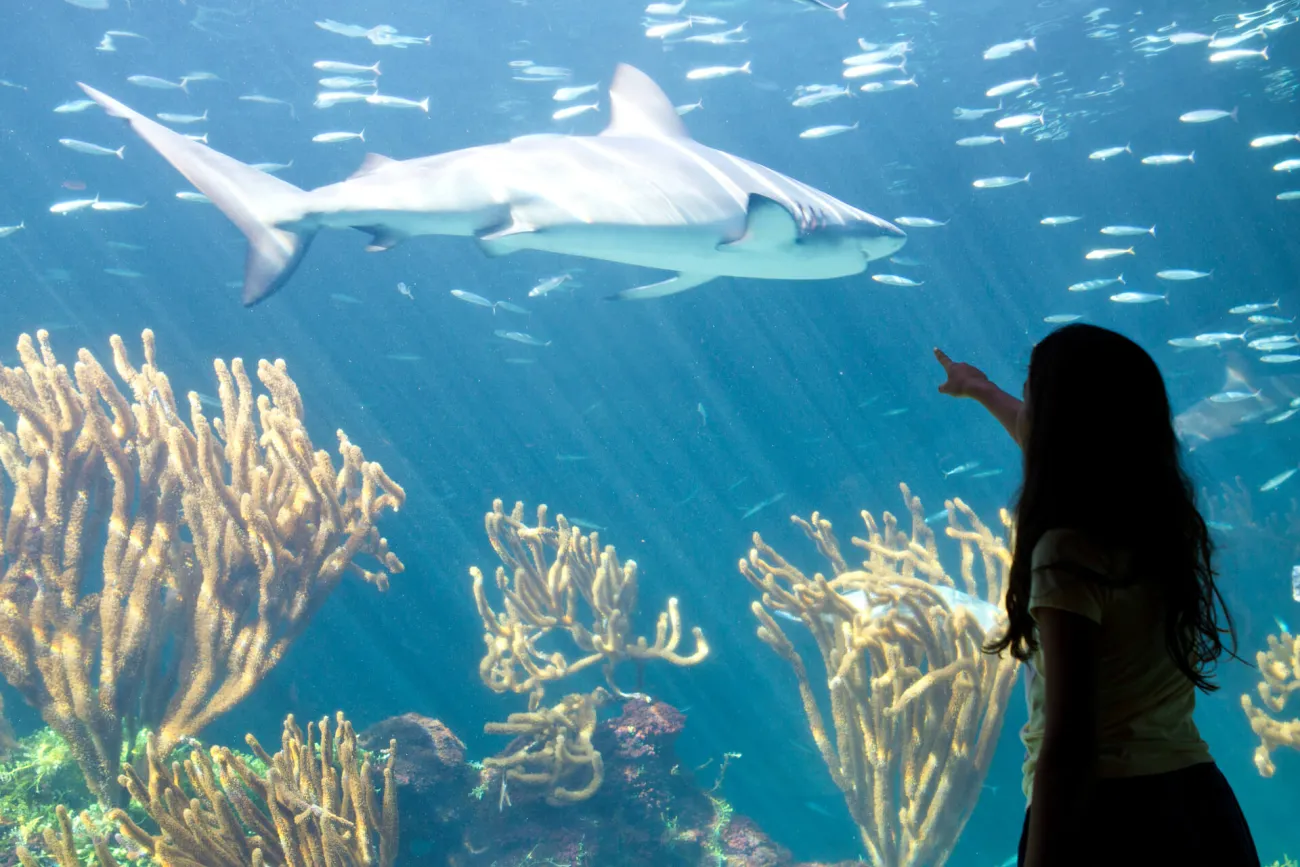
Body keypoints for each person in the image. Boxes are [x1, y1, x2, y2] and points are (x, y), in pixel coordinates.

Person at [932, 324, 1260, 867]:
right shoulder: (1157, 521)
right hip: (1198, 807)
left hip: (1108, 818)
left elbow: (1070, 741)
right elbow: (1057, 446)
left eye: (1033, 397)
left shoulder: (1067, 554)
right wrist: (983, 391)